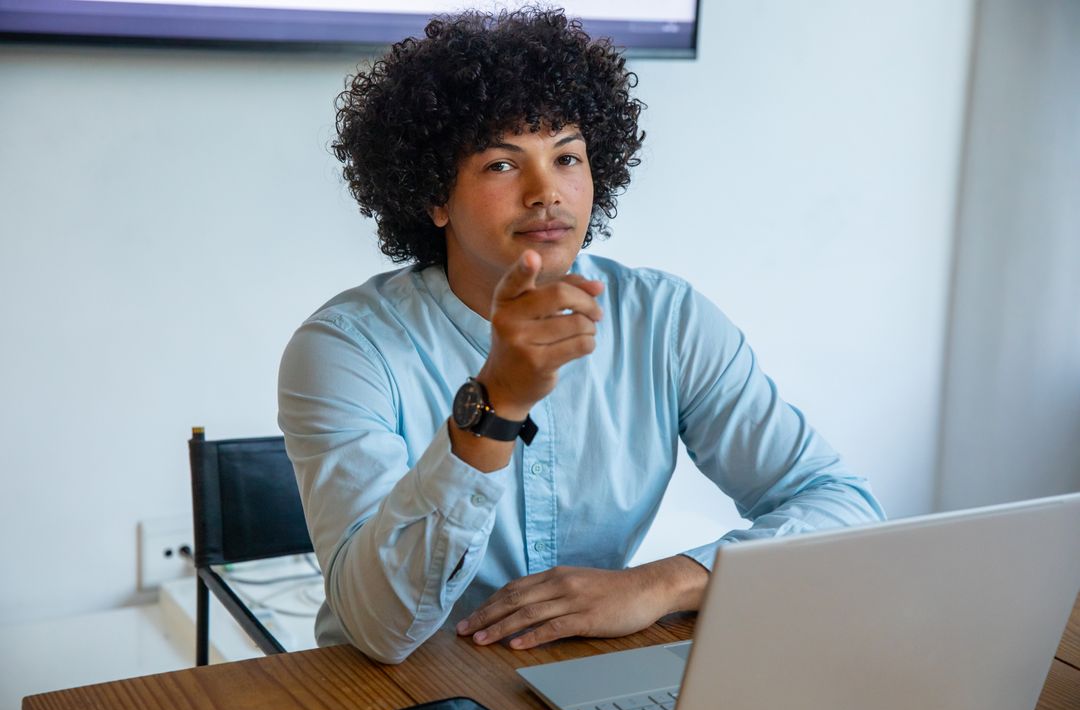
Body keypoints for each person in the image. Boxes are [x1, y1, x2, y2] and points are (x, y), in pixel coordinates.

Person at [278, 7, 885, 665]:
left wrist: (662, 583)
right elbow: (380, 629)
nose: (547, 192)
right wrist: (496, 405)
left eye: (567, 155)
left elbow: (841, 507)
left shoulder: (668, 319)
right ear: (434, 196)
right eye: (502, 165)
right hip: (398, 688)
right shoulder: (343, 350)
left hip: (584, 672)